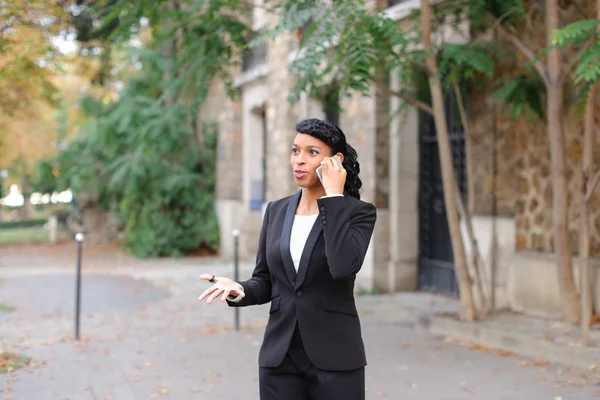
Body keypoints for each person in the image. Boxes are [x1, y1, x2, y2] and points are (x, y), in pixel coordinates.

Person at [198, 118, 377, 400]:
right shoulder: (277, 211)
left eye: (312, 152)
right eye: (296, 151)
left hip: (336, 358)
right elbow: (266, 280)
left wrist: (333, 197)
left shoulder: (358, 213)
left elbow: (342, 268)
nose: (300, 160)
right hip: (279, 358)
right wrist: (241, 289)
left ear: (335, 161)